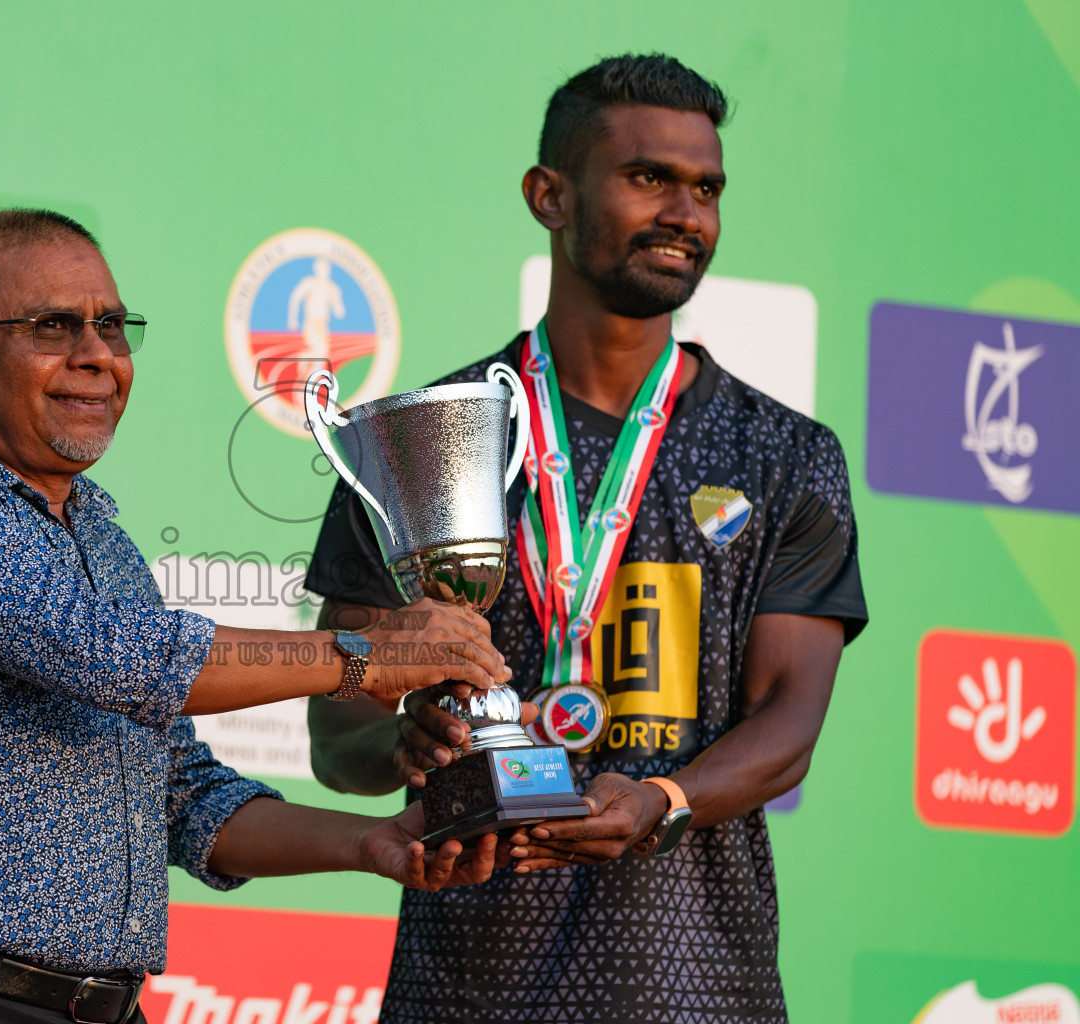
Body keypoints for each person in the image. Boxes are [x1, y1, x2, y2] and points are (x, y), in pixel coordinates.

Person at [0, 209, 516, 1024]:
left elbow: (185, 797)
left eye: (111, 326)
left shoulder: (103, 541)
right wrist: (369, 655)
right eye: (52, 326)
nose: (98, 355)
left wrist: (370, 843)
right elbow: (112, 657)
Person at [306, 54, 867, 1022]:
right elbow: (334, 735)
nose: (685, 213)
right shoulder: (423, 443)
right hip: (465, 987)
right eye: (649, 178)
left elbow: (788, 724)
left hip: (696, 988)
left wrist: (664, 798)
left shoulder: (785, 455)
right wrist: (400, 738)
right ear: (549, 196)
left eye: (706, 188)